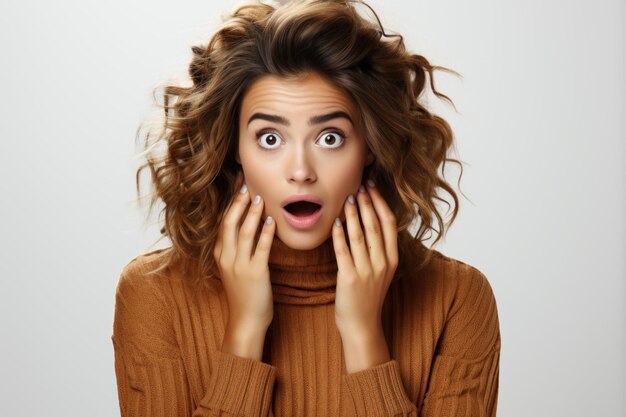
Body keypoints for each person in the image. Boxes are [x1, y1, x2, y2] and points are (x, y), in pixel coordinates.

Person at [111, 0, 501, 416]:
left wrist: (364, 336)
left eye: (330, 137)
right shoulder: (154, 294)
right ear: (234, 149)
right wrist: (244, 334)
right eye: (270, 138)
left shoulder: (456, 298)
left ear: (369, 147)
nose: (300, 171)